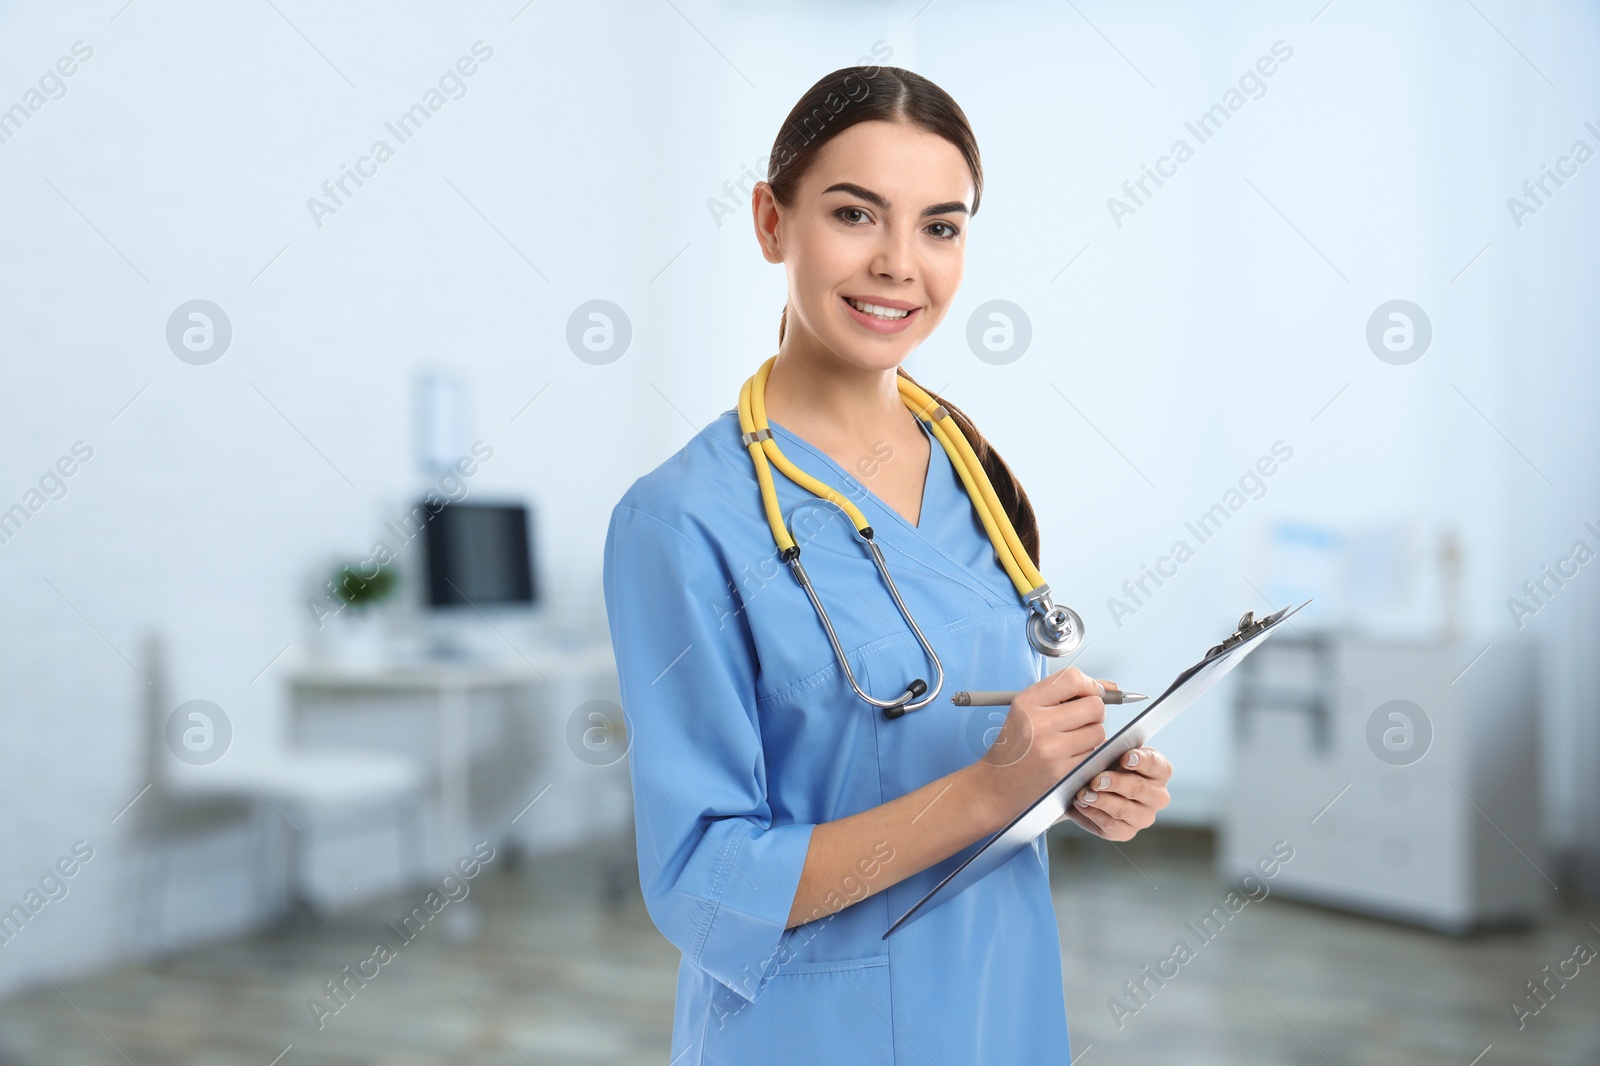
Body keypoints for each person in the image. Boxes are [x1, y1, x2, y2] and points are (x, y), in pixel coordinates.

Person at [602, 63, 1173, 1065]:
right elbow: (701, 880)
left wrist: (1071, 777)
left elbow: (966, 732)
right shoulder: (681, 518)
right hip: (811, 1029)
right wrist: (993, 788)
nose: (900, 264)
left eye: (940, 226)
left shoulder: (973, 471)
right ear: (771, 223)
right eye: (856, 214)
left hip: (1003, 1001)